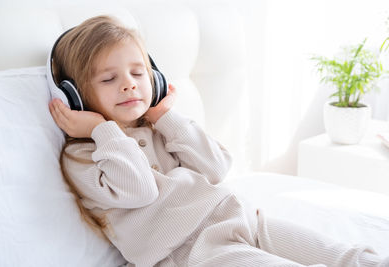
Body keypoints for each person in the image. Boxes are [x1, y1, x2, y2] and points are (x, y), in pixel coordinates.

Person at [48, 15, 388, 267]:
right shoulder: (84, 156)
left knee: (350, 257)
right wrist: (102, 130)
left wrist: (165, 117)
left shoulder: (161, 129)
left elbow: (217, 166)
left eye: (138, 73)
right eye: (109, 78)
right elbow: (141, 190)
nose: (129, 84)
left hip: (244, 219)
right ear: (76, 96)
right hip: (195, 252)